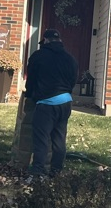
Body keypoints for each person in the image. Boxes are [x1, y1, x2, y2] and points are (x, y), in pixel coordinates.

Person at [24, 28, 79, 180]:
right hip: (65, 102)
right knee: (59, 138)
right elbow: (73, 79)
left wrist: (30, 96)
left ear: (46, 40)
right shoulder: (70, 59)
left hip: (46, 104)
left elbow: (31, 79)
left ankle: (37, 173)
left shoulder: (38, 56)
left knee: (41, 139)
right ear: (59, 41)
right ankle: (56, 172)